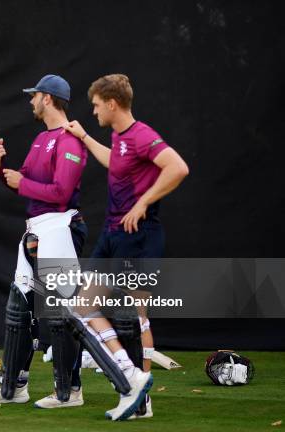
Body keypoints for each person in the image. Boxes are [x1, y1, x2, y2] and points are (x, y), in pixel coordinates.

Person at [64, 73, 189, 419]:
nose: (93, 111)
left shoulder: (141, 135)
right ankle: (131, 378)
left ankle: (139, 396)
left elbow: (177, 168)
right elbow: (116, 162)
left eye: (96, 105)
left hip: (138, 236)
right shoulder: (119, 138)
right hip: (112, 234)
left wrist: (143, 202)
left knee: (134, 318)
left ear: (112, 103)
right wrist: (85, 137)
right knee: (81, 306)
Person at [0, 74, 89, 409]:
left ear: (48, 98)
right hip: (36, 228)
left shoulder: (70, 140)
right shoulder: (42, 139)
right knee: (18, 308)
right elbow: (20, 180)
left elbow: (61, 193)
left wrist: (21, 184)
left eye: (34, 96)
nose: (30, 101)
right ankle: (14, 388)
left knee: (58, 311)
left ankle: (70, 391)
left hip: (61, 227)